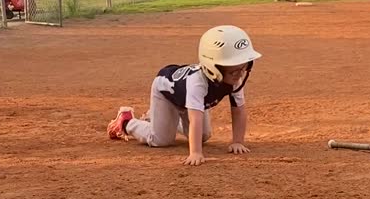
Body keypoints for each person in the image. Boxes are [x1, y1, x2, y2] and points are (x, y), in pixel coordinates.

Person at [106, 25, 263, 166]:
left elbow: (239, 110)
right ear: (213, 68)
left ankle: (154, 117)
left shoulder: (234, 79)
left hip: (187, 100)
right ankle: (126, 122)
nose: (240, 75)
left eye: (244, 67)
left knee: (203, 136)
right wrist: (195, 153)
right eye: (234, 70)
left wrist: (237, 141)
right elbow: (195, 118)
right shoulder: (198, 83)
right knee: (162, 140)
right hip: (166, 93)